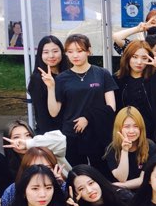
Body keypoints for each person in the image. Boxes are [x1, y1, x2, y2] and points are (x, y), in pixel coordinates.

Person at [43, 33, 117, 167]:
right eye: (70, 52)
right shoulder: (61, 78)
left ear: (89, 51)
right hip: (72, 135)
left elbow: (111, 107)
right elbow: (54, 112)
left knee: (101, 172)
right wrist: (50, 88)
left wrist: (88, 117)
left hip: (98, 133)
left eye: (79, 51)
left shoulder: (102, 73)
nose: (75, 55)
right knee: (76, 173)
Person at [114, 39, 156, 144]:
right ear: (127, 57)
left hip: (151, 136)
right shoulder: (117, 80)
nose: (139, 62)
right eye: (134, 57)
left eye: (144, 58)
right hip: (126, 134)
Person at [103, 107, 156, 190]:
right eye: (127, 127)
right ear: (119, 128)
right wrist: (125, 150)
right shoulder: (111, 149)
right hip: (122, 194)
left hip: (145, 191)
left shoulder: (150, 146)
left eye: (136, 126)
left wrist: (115, 186)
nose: (131, 131)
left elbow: (143, 179)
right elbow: (122, 178)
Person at [27, 35, 68, 133]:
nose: (51, 56)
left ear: (62, 52)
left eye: (55, 51)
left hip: (71, 131)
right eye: (46, 52)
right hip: (51, 134)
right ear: (40, 54)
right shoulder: (38, 79)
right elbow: (42, 115)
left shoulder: (68, 74)